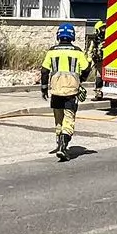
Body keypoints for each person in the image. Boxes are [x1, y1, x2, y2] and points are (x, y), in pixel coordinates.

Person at [39, 22, 93, 160]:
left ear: (58, 36)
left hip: (56, 91)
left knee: (59, 120)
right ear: (72, 36)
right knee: (69, 120)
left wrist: (44, 88)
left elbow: (45, 71)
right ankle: (64, 146)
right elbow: (87, 68)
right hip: (71, 92)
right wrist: (80, 80)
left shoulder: (51, 51)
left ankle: (59, 144)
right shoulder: (78, 52)